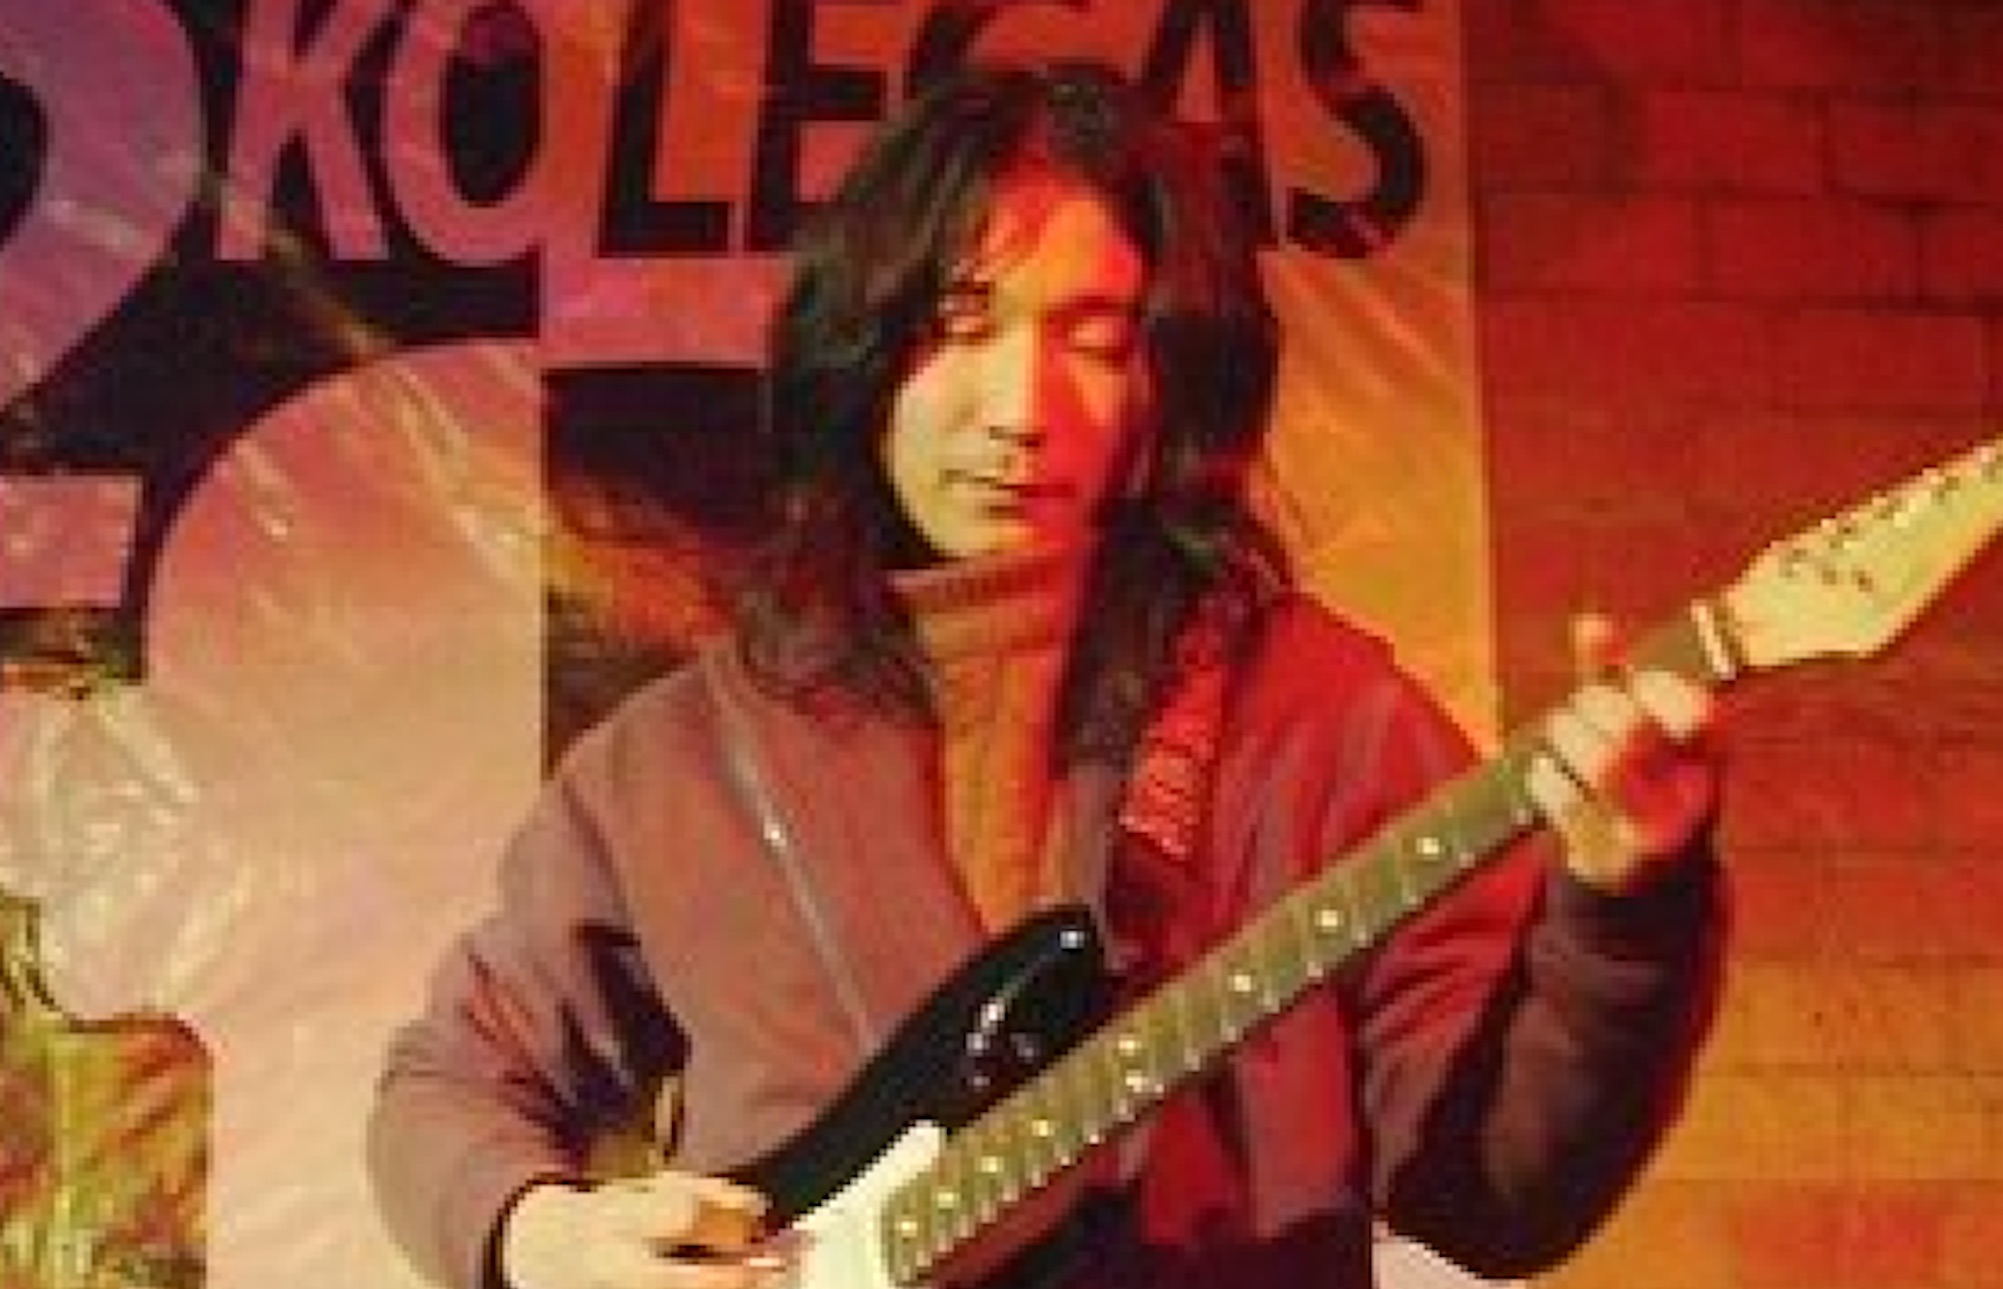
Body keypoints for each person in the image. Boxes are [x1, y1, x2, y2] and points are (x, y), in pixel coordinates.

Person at [366, 60, 1725, 1289]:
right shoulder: (674, 761)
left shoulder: (1327, 718)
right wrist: (537, 1234)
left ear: (1167, 376)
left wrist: (1624, 911)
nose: (1022, 410)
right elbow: (450, 1081)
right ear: (863, 351)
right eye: (961, 322)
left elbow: (1502, 1198)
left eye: (1094, 336)